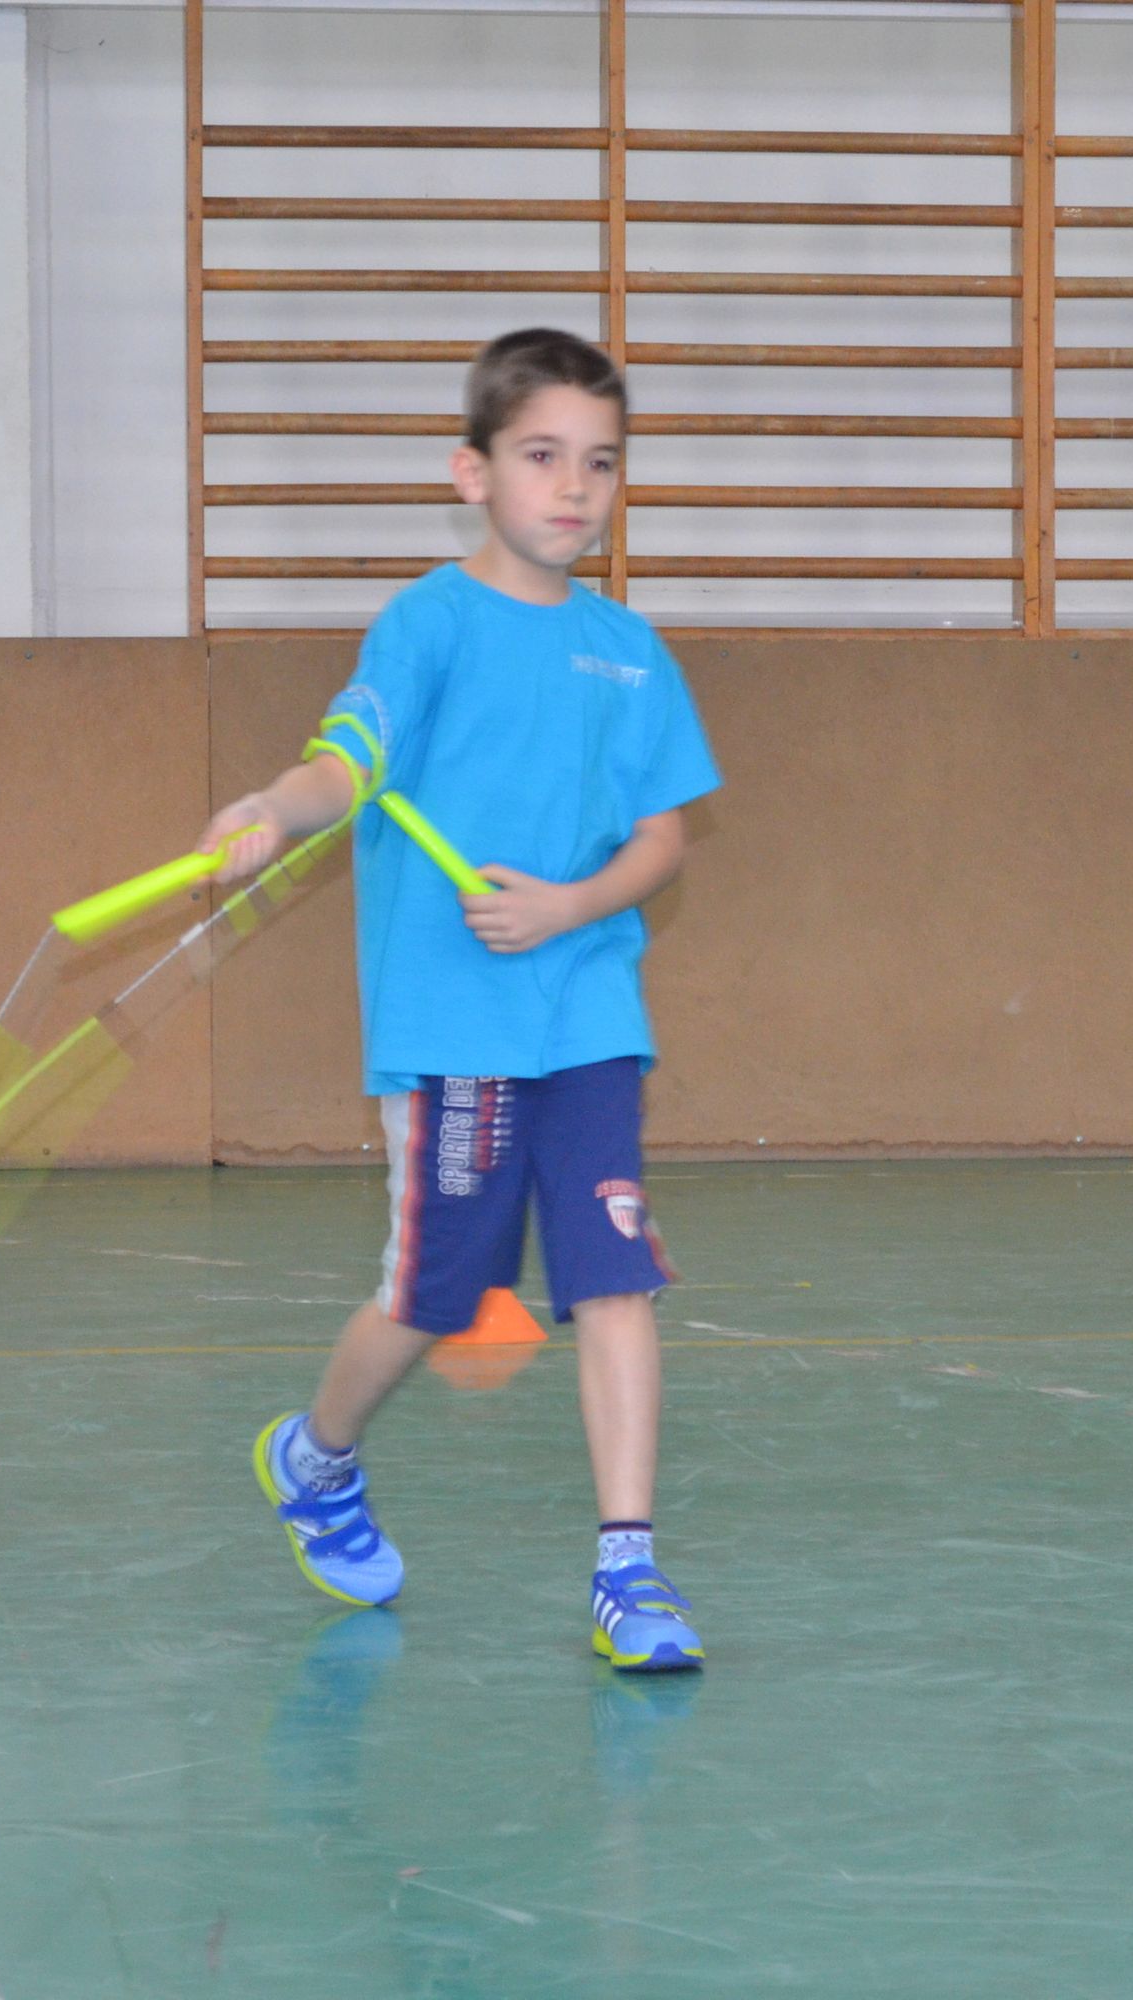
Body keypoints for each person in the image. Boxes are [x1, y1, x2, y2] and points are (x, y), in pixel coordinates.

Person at [197, 328, 720, 1672]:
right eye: (541, 455)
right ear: (471, 471)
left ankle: (628, 1570)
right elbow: (345, 762)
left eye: (600, 462)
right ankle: (315, 1455)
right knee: (438, 1294)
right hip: (453, 1032)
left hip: (586, 1015)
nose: (574, 486)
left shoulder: (627, 651)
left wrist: (568, 906)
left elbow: (662, 838)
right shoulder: (427, 623)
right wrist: (273, 809)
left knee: (614, 1278)